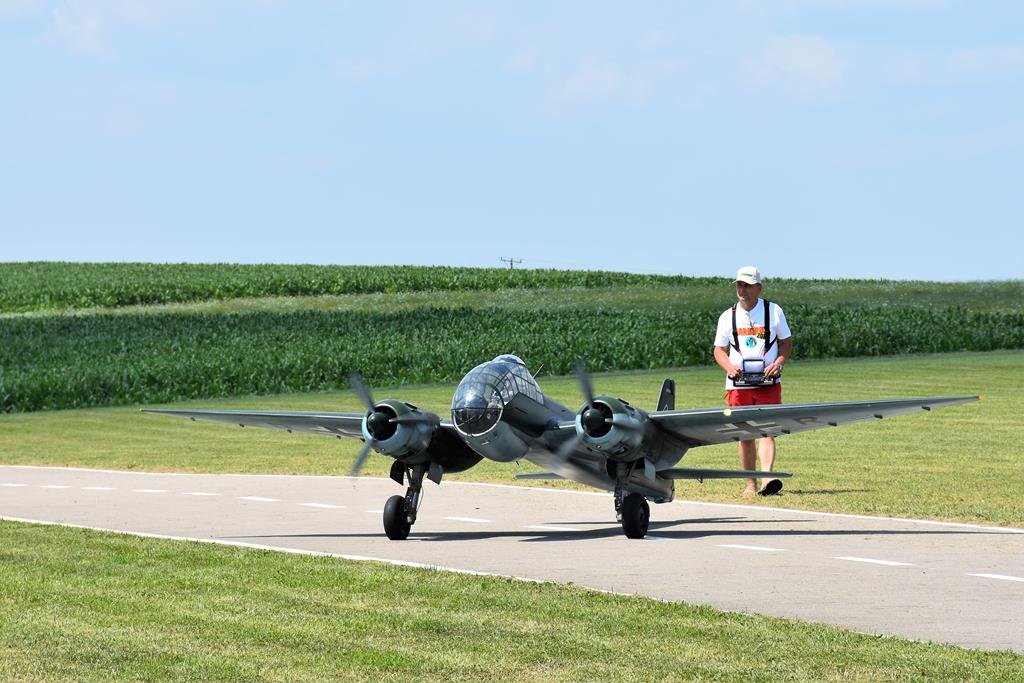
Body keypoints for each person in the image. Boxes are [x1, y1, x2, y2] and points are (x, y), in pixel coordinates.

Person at [713, 266, 793, 497]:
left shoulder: (774, 311)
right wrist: (730, 368)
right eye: (740, 285)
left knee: (768, 431)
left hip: (768, 382)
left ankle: (767, 479)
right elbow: (719, 350)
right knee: (745, 434)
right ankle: (750, 484)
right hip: (738, 385)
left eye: (747, 285)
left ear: (759, 287)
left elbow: (786, 342)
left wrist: (778, 363)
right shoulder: (727, 316)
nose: (742, 290)